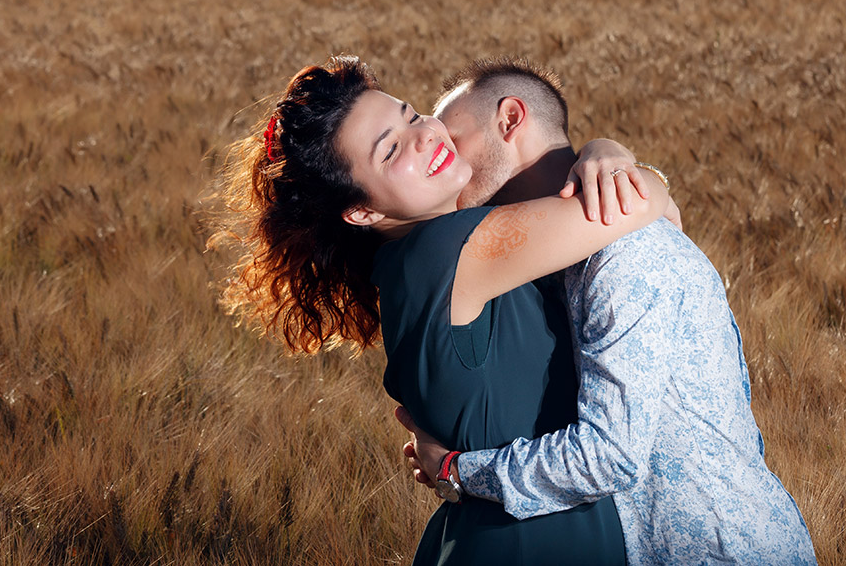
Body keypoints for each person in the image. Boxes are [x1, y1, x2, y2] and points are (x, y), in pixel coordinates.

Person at [214, 55, 673, 564]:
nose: (424, 137)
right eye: (390, 151)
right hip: (532, 546)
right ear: (363, 211)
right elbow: (643, 203)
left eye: (410, 115)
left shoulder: (411, 265)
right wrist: (607, 155)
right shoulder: (445, 250)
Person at [396, 57, 817, 564]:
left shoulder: (624, 251)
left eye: (453, 137)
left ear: (509, 119)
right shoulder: (562, 254)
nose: (444, 155)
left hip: (720, 549)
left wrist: (459, 471)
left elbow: (609, 456)